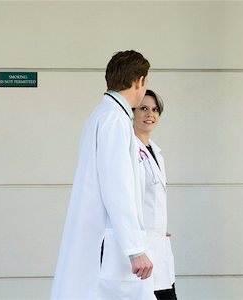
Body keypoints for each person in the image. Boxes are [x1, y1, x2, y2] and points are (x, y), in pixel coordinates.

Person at [50, 50, 156, 300]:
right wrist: (135, 249)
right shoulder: (114, 120)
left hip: (105, 242)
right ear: (139, 81)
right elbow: (117, 187)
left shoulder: (104, 115)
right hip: (109, 246)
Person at [133, 90, 177, 300]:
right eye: (143, 108)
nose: (150, 113)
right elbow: (124, 199)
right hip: (140, 251)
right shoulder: (128, 150)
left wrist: (158, 226)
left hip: (158, 245)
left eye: (155, 109)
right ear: (132, 112)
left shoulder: (156, 152)